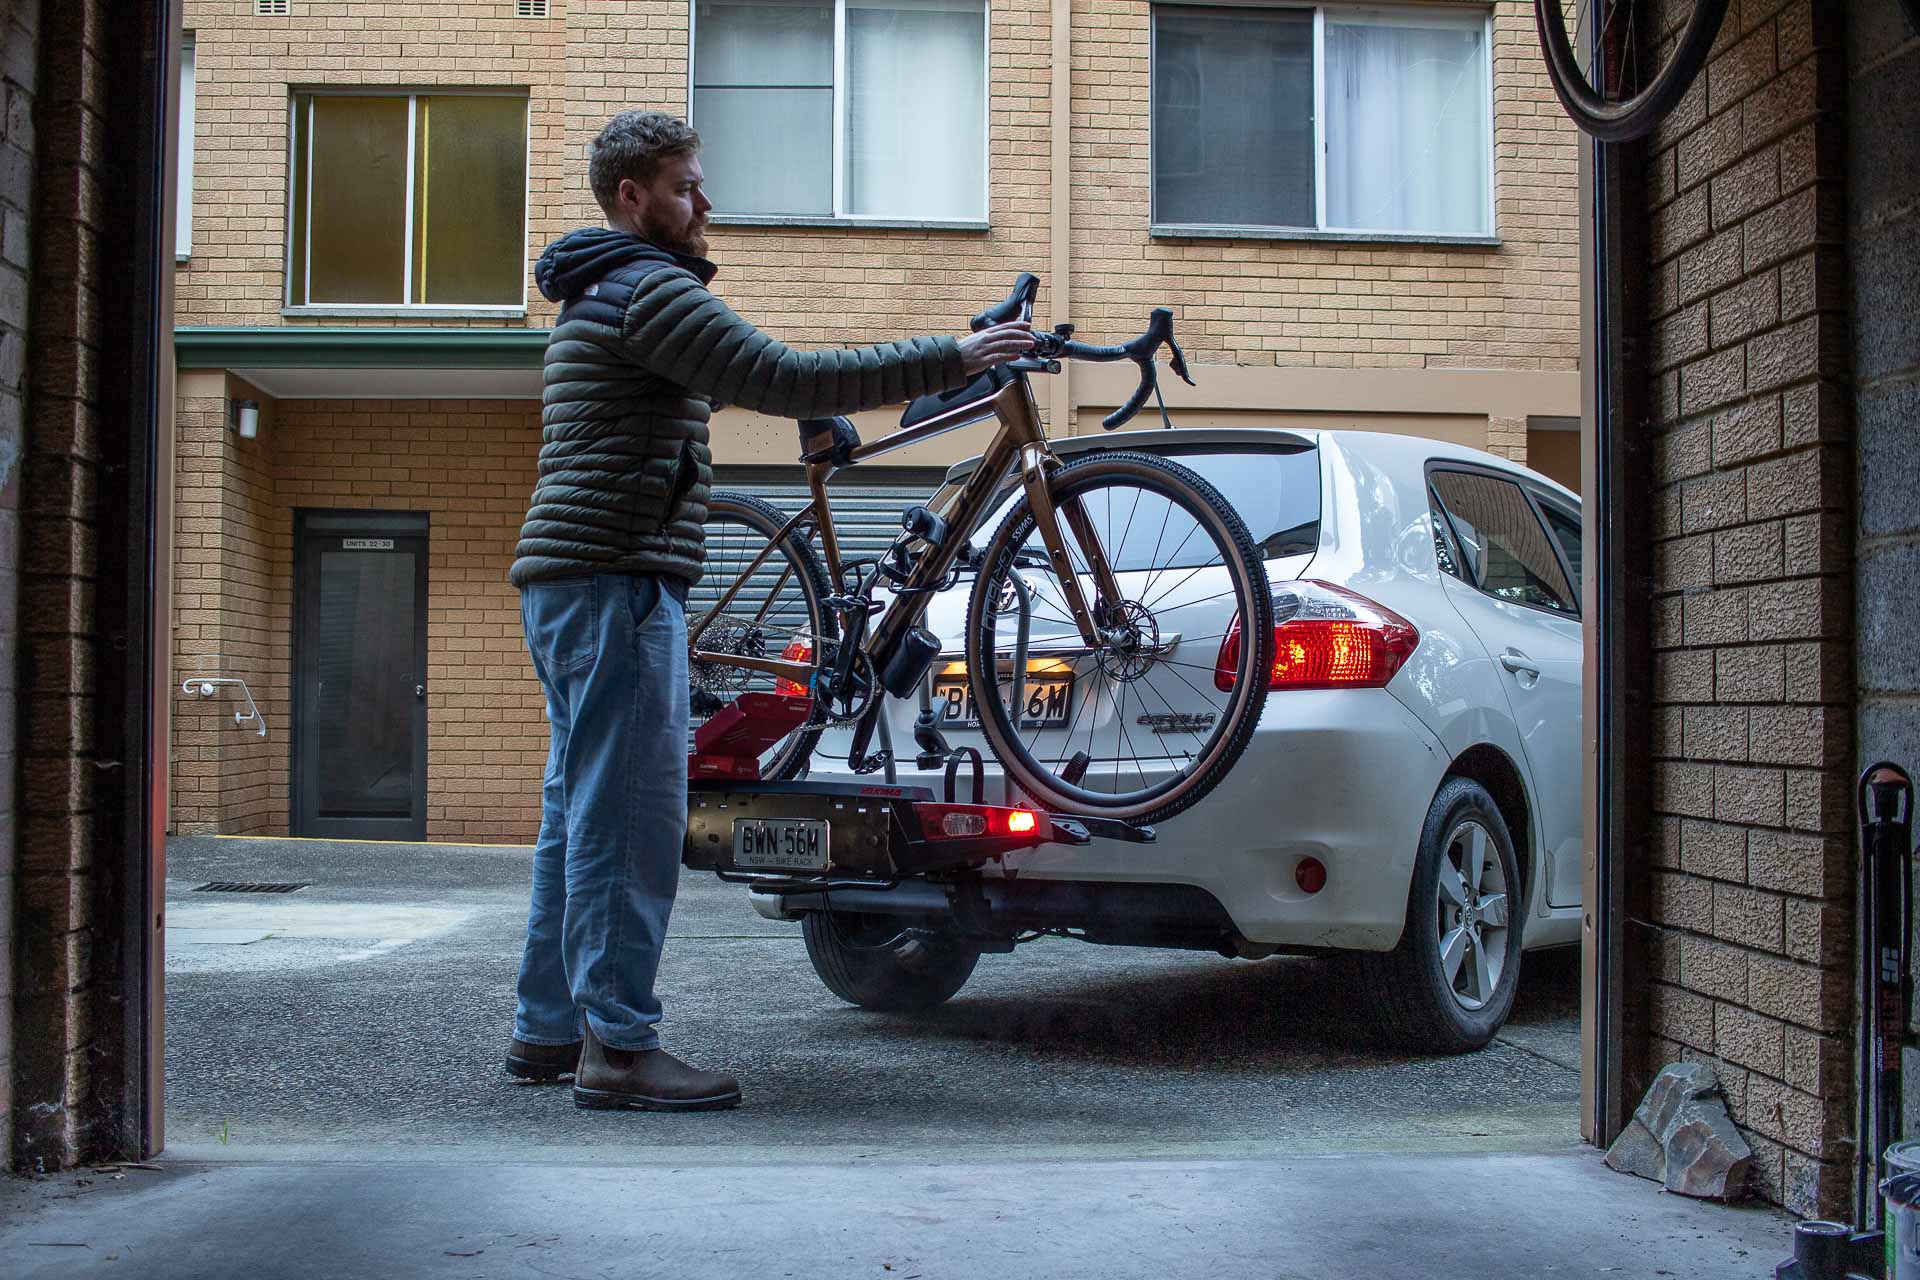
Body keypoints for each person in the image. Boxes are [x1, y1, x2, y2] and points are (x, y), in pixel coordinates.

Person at [504, 110, 1034, 1111]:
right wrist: (956, 354)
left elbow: (747, 383)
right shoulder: (646, 289)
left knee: (577, 813)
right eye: (687, 186)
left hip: (574, 581)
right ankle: (617, 1046)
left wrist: (804, 411)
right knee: (627, 819)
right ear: (634, 197)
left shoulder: (602, 292)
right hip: (616, 582)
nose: (706, 203)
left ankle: (549, 1027)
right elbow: (781, 370)